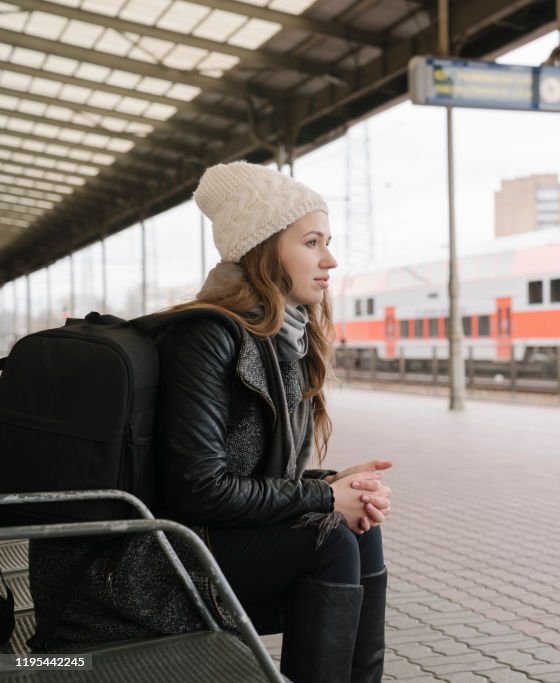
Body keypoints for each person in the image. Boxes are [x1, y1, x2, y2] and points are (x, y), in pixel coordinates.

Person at [29, 161, 393, 683]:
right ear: (265, 248)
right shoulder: (207, 337)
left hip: (193, 538)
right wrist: (325, 499)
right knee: (331, 535)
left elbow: (245, 479)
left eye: (327, 242)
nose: (330, 260)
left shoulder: (277, 340)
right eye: (312, 242)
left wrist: (334, 486)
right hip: (130, 565)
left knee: (360, 528)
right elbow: (200, 490)